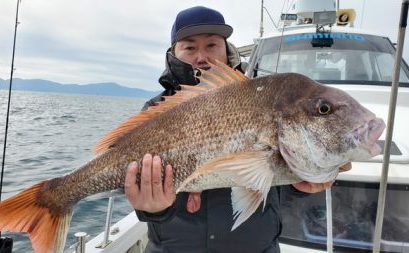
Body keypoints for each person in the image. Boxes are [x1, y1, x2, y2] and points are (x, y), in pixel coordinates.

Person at [124, 6, 347, 253]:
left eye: (212, 45)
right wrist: (153, 209)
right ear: (174, 53)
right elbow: (134, 184)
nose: (201, 56)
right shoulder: (155, 110)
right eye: (189, 47)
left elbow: (275, 183)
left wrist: (300, 184)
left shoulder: (265, 100)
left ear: (226, 49)